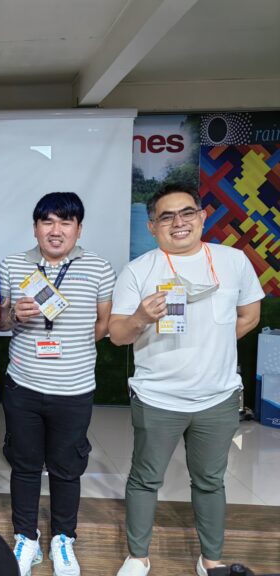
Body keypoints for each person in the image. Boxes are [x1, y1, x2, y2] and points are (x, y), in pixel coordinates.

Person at [109, 184, 264, 576]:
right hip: (157, 397)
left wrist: (213, 347)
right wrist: (142, 317)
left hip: (218, 397)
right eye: (166, 216)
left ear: (202, 215)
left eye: (187, 212)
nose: (179, 222)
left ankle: (211, 559)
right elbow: (117, 334)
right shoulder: (139, 270)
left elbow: (250, 315)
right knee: (145, 479)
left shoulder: (233, 261)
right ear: (152, 226)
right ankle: (138, 556)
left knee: (210, 481)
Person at [0, 192, 115, 576]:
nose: (56, 230)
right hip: (23, 387)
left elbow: (102, 325)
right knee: (25, 465)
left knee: (67, 468)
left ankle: (64, 538)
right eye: (47, 221)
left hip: (75, 389)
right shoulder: (13, 265)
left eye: (65, 222)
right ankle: (26, 538)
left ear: (79, 228)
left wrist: (70, 352)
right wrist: (14, 313)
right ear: (35, 227)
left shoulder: (99, 268)